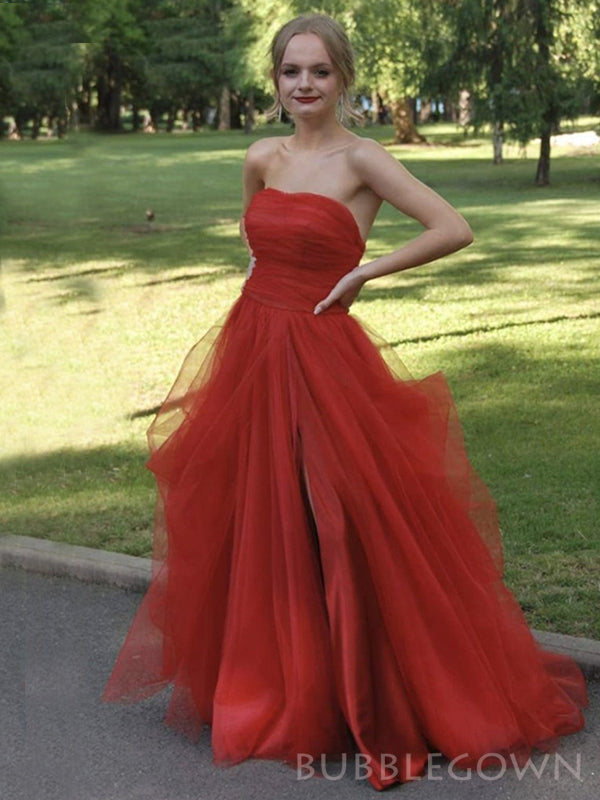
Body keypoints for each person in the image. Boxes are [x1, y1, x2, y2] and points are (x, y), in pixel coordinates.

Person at [102, 13, 588, 791]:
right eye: (291, 71)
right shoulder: (261, 156)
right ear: (275, 79)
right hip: (254, 346)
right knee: (259, 516)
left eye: (319, 71)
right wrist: (260, 309)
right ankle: (280, 683)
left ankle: (366, 683)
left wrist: (364, 271)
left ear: (343, 78)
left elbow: (452, 227)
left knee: (344, 515)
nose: (305, 84)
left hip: (323, 352)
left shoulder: (364, 159)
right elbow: (253, 241)